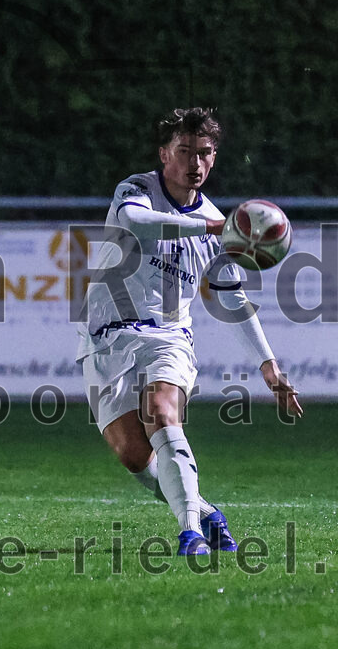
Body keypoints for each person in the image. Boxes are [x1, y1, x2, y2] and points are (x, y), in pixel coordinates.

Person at [76, 107, 303, 556]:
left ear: (214, 159)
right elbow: (137, 225)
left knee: (162, 412)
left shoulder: (220, 228)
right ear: (164, 154)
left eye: (204, 153)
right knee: (135, 457)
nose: (194, 163)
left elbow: (231, 298)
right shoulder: (137, 190)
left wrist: (269, 365)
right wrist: (216, 227)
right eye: (184, 152)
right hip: (104, 338)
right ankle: (205, 512)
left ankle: (190, 534)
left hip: (167, 337)